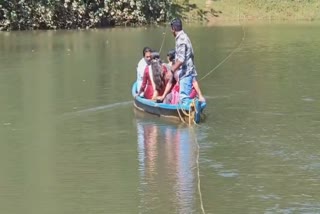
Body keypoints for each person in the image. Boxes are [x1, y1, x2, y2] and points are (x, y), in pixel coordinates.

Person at [169, 18, 205, 104]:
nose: (171, 31)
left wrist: (171, 70)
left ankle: (190, 114)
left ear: (173, 29)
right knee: (185, 97)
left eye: (171, 29)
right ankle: (195, 105)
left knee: (184, 99)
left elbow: (181, 60)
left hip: (186, 73)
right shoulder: (184, 36)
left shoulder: (181, 39)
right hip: (189, 71)